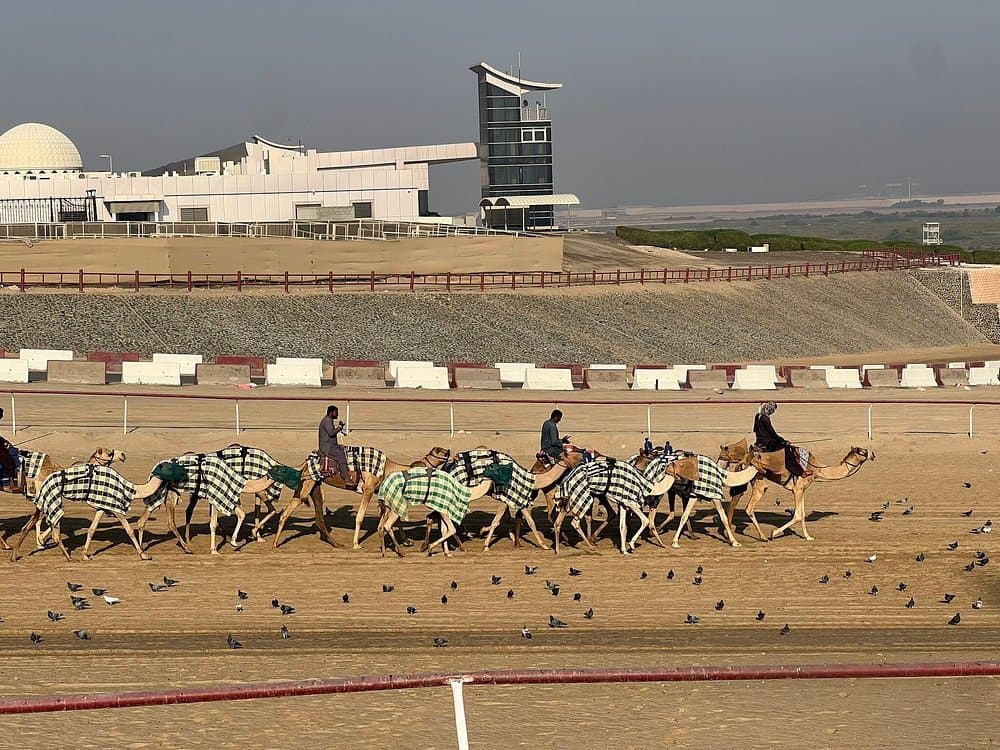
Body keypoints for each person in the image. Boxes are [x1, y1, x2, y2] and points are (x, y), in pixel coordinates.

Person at [753, 401, 807, 477]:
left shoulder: (758, 416)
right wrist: (784, 441)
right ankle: (799, 472)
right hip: (768, 443)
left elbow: (755, 430)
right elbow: (772, 433)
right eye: (773, 410)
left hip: (759, 441)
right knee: (787, 450)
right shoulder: (765, 418)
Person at [318, 405, 353, 486]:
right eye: (336, 412)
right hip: (327, 448)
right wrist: (340, 427)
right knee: (341, 457)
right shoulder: (327, 420)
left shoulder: (328, 420)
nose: (337, 414)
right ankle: (346, 478)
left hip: (330, 445)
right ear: (331, 412)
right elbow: (331, 433)